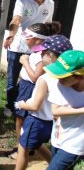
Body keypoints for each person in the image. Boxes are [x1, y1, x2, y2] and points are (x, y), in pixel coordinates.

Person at [14, 35, 73, 170]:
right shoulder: (65, 78)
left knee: (22, 150)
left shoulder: (45, 78)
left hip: (36, 120)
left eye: (43, 53)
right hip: (51, 122)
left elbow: (35, 105)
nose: (41, 54)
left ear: (51, 56)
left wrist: (21, 104)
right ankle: (55, 165)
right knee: (38, 144)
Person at [3, 0, 54, 117]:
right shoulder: (22, 0)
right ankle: (10, 106)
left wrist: (48, 44)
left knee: (30, 79)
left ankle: (26, 103)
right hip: (18, 46)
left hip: (36, 49)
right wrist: (11, 35)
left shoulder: (50, 4)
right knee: (12, 79)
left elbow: (48, 24)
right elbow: (16, 19)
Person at [9, 22, 61, 159]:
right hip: (25, 87)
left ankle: (22, 148)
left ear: (37, 39)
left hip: (29, 88)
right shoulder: (38, 50)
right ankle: (25, 146)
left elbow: (35, 77)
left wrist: (25, 62)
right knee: (21, 118)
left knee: (20, 118)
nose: (25, 39)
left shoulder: (40, 55)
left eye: (28, 37)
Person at [44, 50, 84, 170]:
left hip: (75, 144)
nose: (58, 79)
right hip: (58, 138)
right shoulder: (60, 86)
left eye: (63, 76)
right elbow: (55, 111)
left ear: (80, 76)